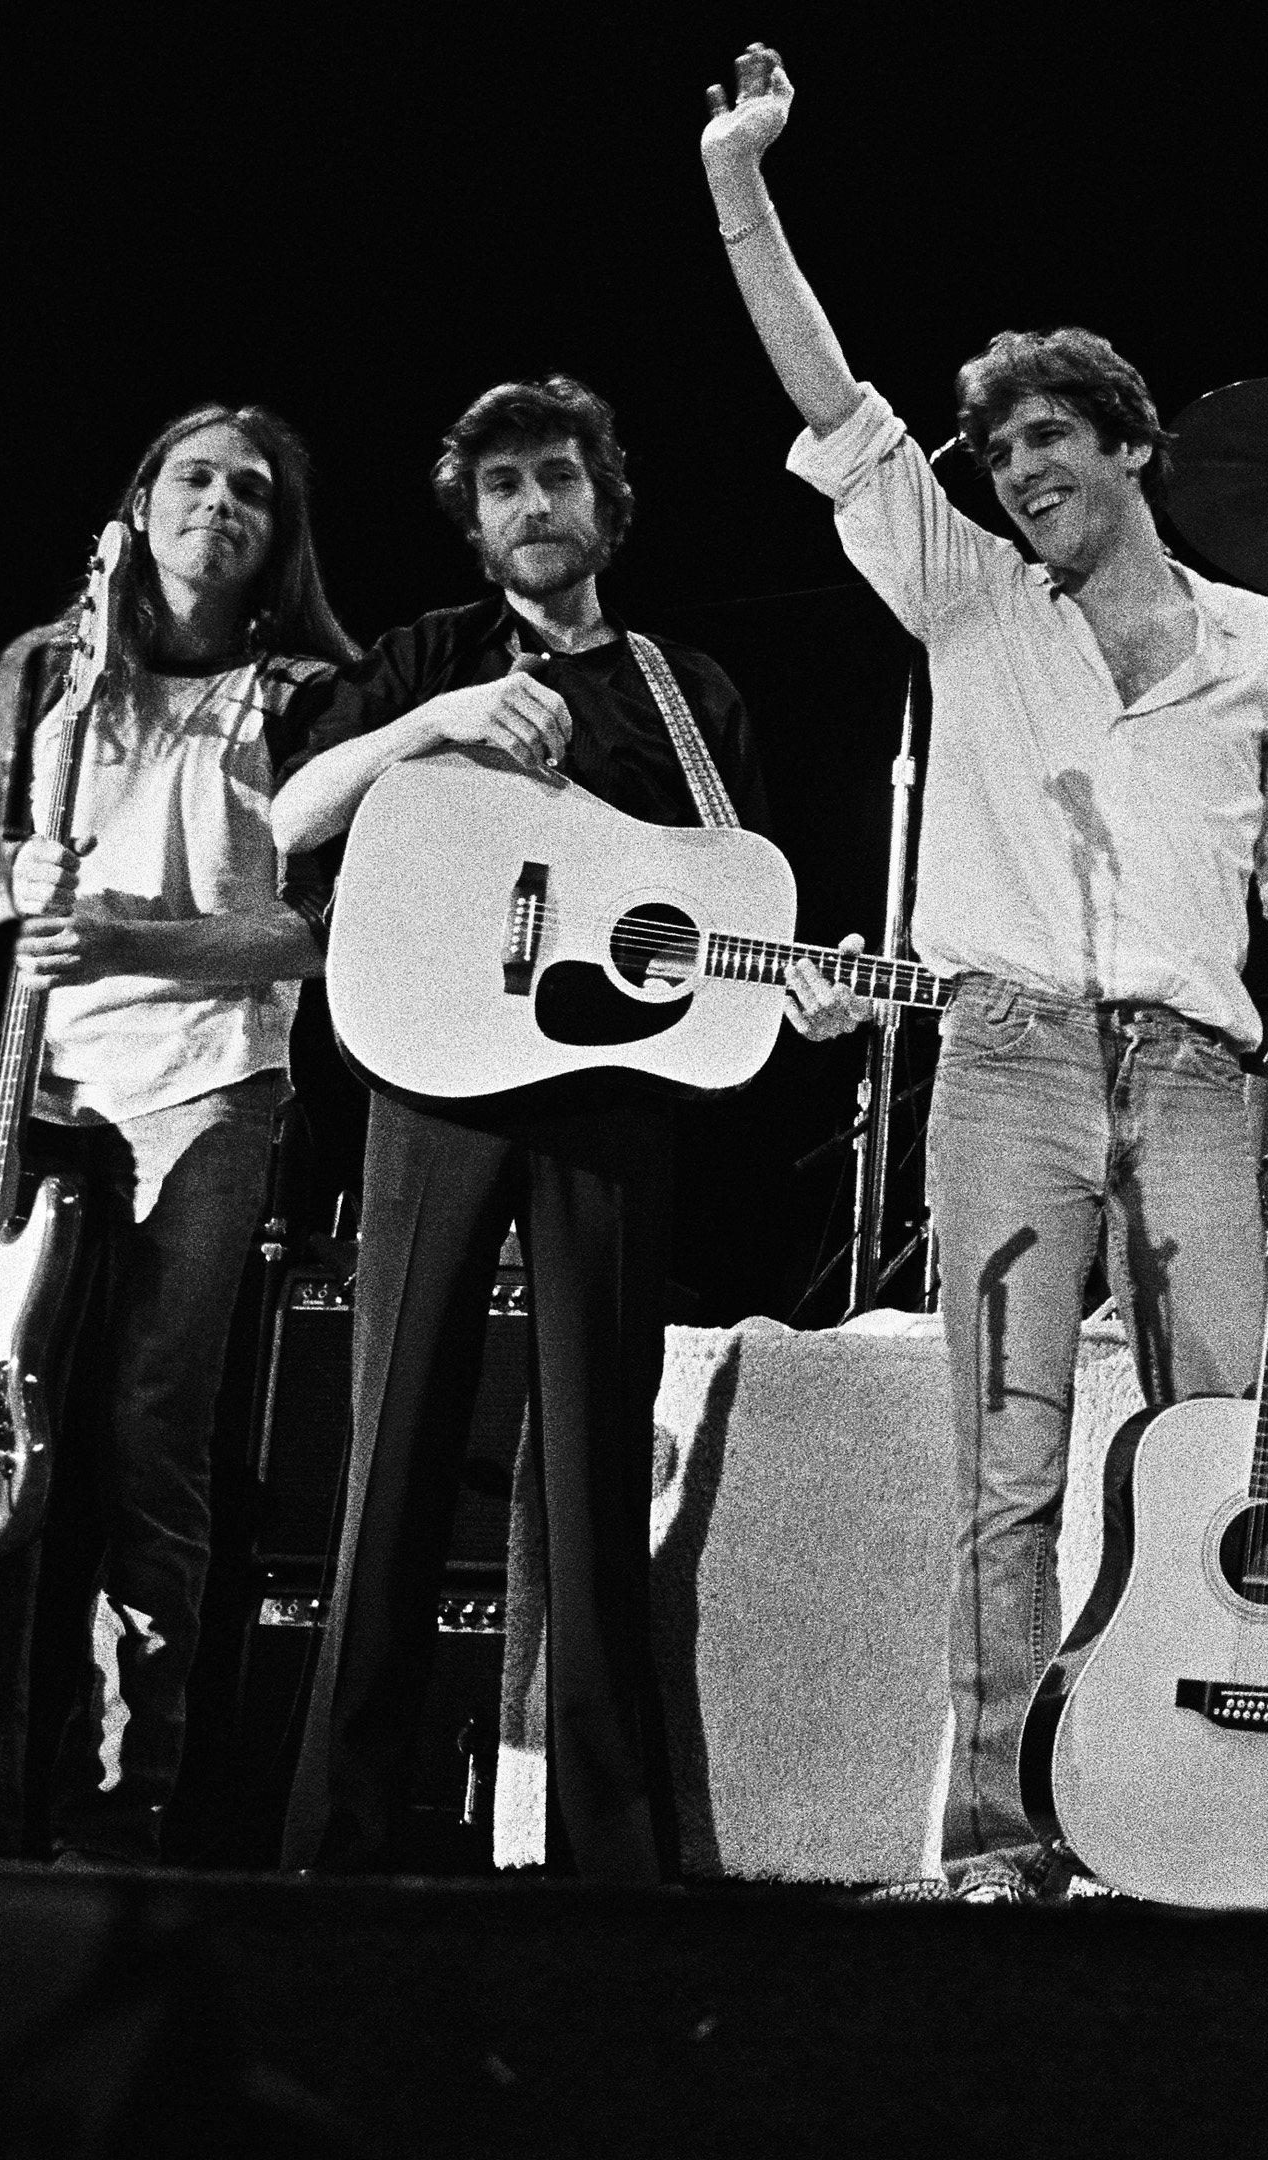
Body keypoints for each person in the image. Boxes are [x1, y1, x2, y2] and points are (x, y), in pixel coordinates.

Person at [700, 41, 1268, 1903]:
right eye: (996, 455)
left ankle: (1227, 1815)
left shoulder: (1265, 651)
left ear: (1132, 448)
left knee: (1233, 1444)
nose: (1018, 473)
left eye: (1047, 443)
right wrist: (739, 176)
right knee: (1008, 1467)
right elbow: (825, 392)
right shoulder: (969, 597)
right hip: (1000, 1061)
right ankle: (1009, 1835)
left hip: (1197, 1071)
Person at [269, 374, 855, 1884]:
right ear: (475, 526)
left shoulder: (687, 691)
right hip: (430, 1083)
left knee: (598, 1470)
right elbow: (288, 822)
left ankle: (613, 1857)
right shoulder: (424, 659)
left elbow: (730, 912)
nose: (535, 504)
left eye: (559, 478)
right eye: (505, 485)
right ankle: (336, 1842)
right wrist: (440, 721)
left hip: (608, 1108)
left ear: (607, 505)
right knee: (391, 1456)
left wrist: (794, 988)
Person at [0, 402, 360, 1865]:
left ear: (283, 539)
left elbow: (325, 936)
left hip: (210, 1085)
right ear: (140, 502)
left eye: (255, 492)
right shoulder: (46, 668)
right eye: (194, 477)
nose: (220, 503)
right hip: (38, 1090)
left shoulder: (308, 691)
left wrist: (124, 941)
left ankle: (120, 1803)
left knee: (150, 1433)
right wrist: (17, 894)